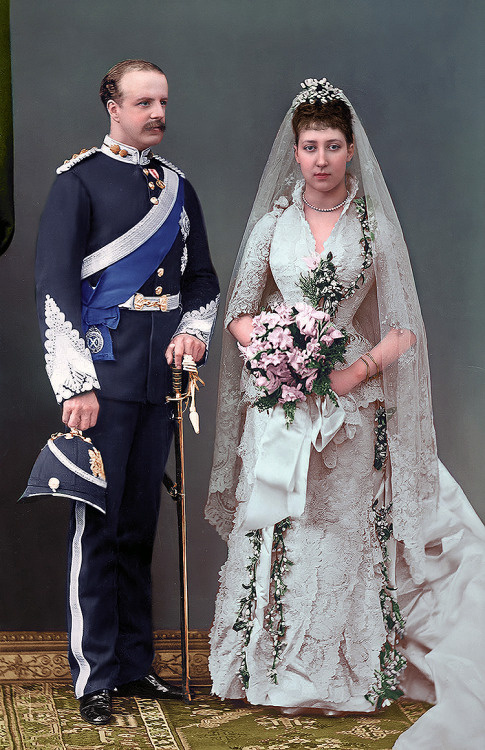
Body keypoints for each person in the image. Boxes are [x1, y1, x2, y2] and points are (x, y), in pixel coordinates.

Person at [205, 78, 485, 748]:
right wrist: (275, 352)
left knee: (335, 530)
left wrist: (352, 370)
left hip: (351, 405)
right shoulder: (272, 226)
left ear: (351, 150)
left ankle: (338, 672)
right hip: (278, 399)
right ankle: (262, 671)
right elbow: (238, 314)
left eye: (333, 145)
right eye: (309, 146)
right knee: (277, 518)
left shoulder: (373, 228)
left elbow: (403, 329)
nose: (321, 158)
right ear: (295, 152)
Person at [35, 59, 219, 725]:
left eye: (163, 100)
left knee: (140, 523)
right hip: (103, 377)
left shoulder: (178, 186)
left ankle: (137, 665)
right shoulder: (77, 183)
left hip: (159, 381)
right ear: (112, 105)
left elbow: (201, 280)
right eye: (144, 101)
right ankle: (95, 675)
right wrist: (76, 384)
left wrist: (194, 336)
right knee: (99, 526)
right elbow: (55, 289)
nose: (158, 113)